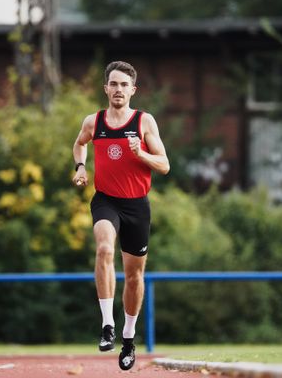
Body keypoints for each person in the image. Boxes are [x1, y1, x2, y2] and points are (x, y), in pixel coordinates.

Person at [72, 61, 170, 370]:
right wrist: (80, 167)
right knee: (103, 249)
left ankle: (128, 338)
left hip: (137, 206)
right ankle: (106, 326)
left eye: (124, 85)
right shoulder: (94, 121)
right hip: (106, 200)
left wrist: (140, 153)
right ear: (106, 88)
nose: (118, 90)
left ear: (133, 90)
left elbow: (165, 165)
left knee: (133, 275)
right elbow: (79, 144)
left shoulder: (144, 122)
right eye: (113, 84)